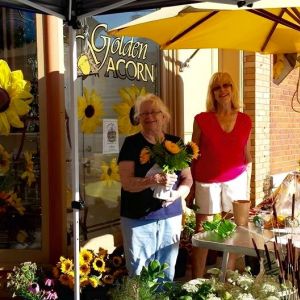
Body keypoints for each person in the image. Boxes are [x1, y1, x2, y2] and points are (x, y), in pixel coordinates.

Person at [118, 93, 193, 281]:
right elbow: (127, 183)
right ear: (138, 118)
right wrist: (153, 180)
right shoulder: (131, 144)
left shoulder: (175, 143)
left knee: (166, 272)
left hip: (171, 217)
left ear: (164, 116)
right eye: (144, 114)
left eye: (154, 112)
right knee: (139, 273)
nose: (149, 117)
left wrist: (176, 195)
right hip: (138, 218)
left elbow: (187, 180)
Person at [187, 72, 252, 278]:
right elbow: (193, 155)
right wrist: (190, 188)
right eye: (217, 87)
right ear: (212, 93)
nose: (223, 90)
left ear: (233, 89)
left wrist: (247, 187)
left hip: (237, 181)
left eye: (227, 85)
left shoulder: (245, 120)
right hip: (206, 181)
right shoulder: (202, 119)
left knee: (232, 231)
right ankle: (196, 280)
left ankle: (226, 279)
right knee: (202, 233)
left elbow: (247, 155)